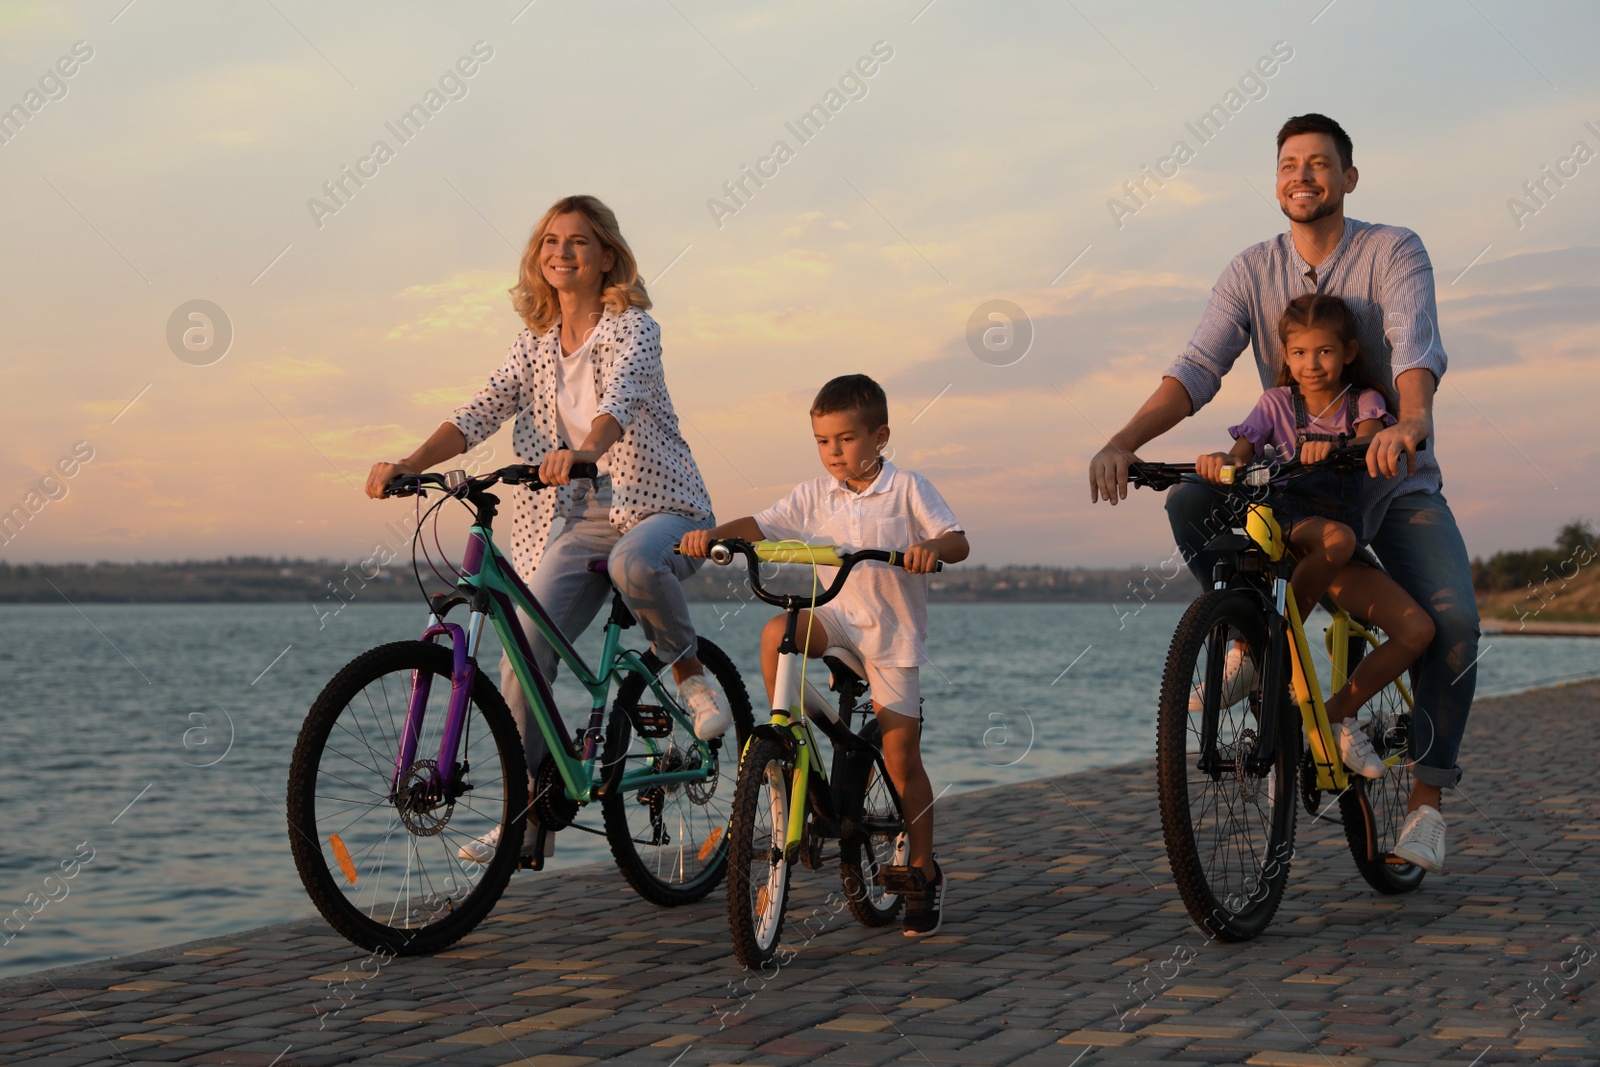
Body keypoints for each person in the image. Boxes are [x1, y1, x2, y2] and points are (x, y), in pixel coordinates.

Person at [1087, 113, 1478, 873]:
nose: (1303, 175)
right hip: (1296, 482)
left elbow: (1414, 342)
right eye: (1289, 164)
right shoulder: (1249, 270)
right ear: (1275, 182)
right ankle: (1252, 642)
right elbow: (1199, 366)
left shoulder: (1392, 249)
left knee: (1454, 620)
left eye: (1320, 163)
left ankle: (1427, 806)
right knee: (1189, 502)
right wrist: (1122, 441)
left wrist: (1413, 421)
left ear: (1348, 179)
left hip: (1388, 475)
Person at [365, 194, 730, 865]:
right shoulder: (533, 346)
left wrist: (587, 450)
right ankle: (525, 811)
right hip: (579, 516)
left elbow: (619, 401)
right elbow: (480, 409)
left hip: (660, 505)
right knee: (522, 656)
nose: (561, 252)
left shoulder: (634, 329)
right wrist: (410, 463)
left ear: (607, 258)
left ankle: (690, 675)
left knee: (633, 563)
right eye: (550, 242)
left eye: (579, 242)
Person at [680, 374, 969, 936]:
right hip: (834, 618)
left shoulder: (908, 488)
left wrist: (927, 550)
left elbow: (957, 540)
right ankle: (785, 737)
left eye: (846, 439)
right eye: (822, 441)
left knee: (902, 756)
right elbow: (761, 525)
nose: (834, 452)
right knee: (775, 632)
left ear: (880, 436)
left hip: (889, 636)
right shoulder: (815, 495)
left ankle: (924, 868)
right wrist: (713, 534)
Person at [1194, 293, 1435, 779]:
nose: (1312, 364)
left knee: (1418, 629)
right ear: (1286, 356)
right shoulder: (1276, 404)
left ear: (1347, 352)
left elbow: (1372, 440)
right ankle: (1260, 651)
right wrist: (1220, 463)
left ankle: (1335, 715)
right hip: (1290, 523)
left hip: (1338, 539)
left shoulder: (1363, 402)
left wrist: (1339, 447)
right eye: (1300, 353)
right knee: (1337, 539)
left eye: (1324, 352)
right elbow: (1239, 457)